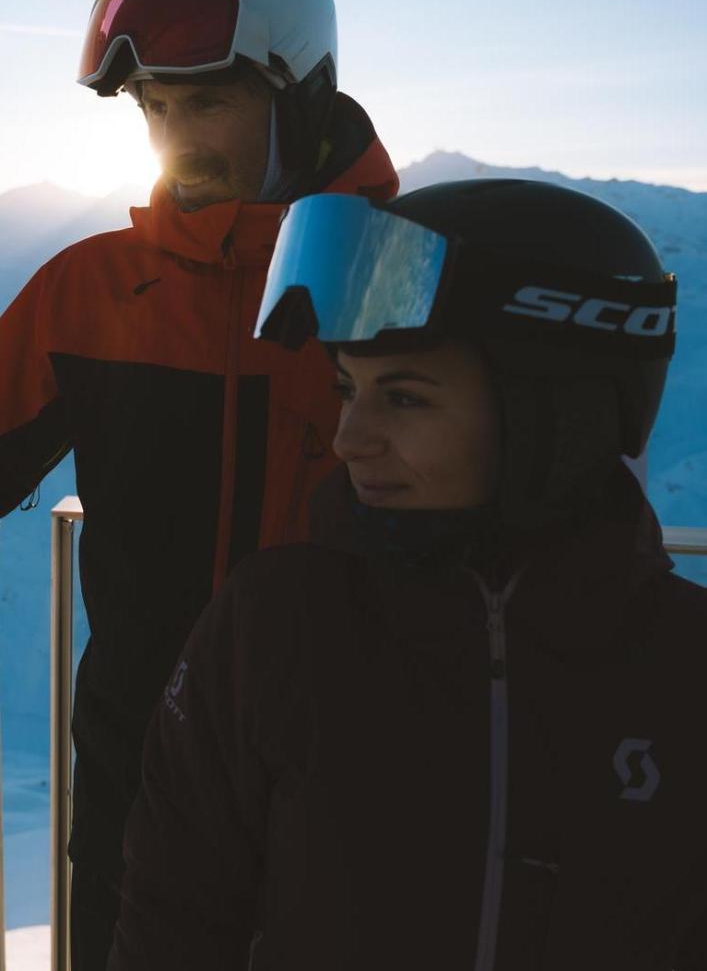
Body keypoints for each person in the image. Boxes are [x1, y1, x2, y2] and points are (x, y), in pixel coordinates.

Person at [108, 179, 707, 970]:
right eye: (346, 389)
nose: (350, 439)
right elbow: (172, 919)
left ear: (559, 417)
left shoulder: (681, 661)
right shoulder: (276, 624)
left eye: (406, 398)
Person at [0, 0, 398, 970]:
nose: (176, 138)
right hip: (138, 766)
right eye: (155, 108)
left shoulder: (396, 279)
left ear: (301, 97)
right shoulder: (89, 291)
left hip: (352, 769)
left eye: (208, 102)